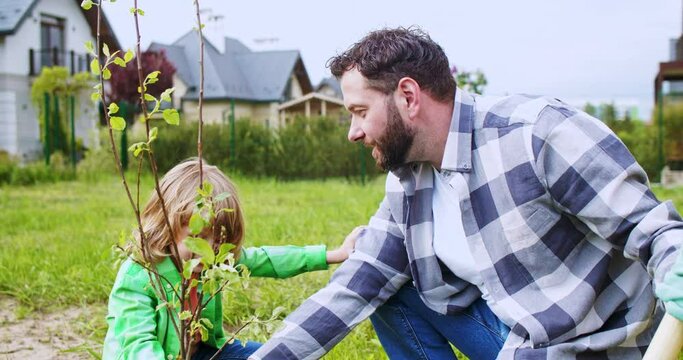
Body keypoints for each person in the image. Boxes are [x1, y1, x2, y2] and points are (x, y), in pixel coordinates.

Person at [250, 27, 683, 359]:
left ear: (408, 96)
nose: (353, 132)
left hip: (585, 342)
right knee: (388, 287)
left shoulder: (538, 134)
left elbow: (655, 230)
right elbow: (351, 288)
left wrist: (675, 264)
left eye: (360, 112)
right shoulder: (409, 180)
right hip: (512, 331)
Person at [102, 158, 361, 360]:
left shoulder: (211, 263)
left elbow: (265, 260)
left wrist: (333, 255)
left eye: (219, 240)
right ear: (165, 225)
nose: (211, 251)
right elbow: (138, 344)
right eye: (198, 237)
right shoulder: (139, 274)